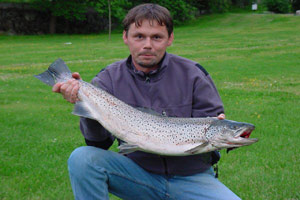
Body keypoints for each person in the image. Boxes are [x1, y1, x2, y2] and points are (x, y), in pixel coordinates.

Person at [53, 3, 241, 200]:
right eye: (139, 36)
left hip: (192, 178)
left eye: (157, 37)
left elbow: (213, 128)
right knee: (82, 158)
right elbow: (97, 143)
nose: (148, 45)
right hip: (136, 175)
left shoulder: (194, 74)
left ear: (170, 38)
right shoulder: (107, 79)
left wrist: (225, 136)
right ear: (126, 37)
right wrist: (83, 102)